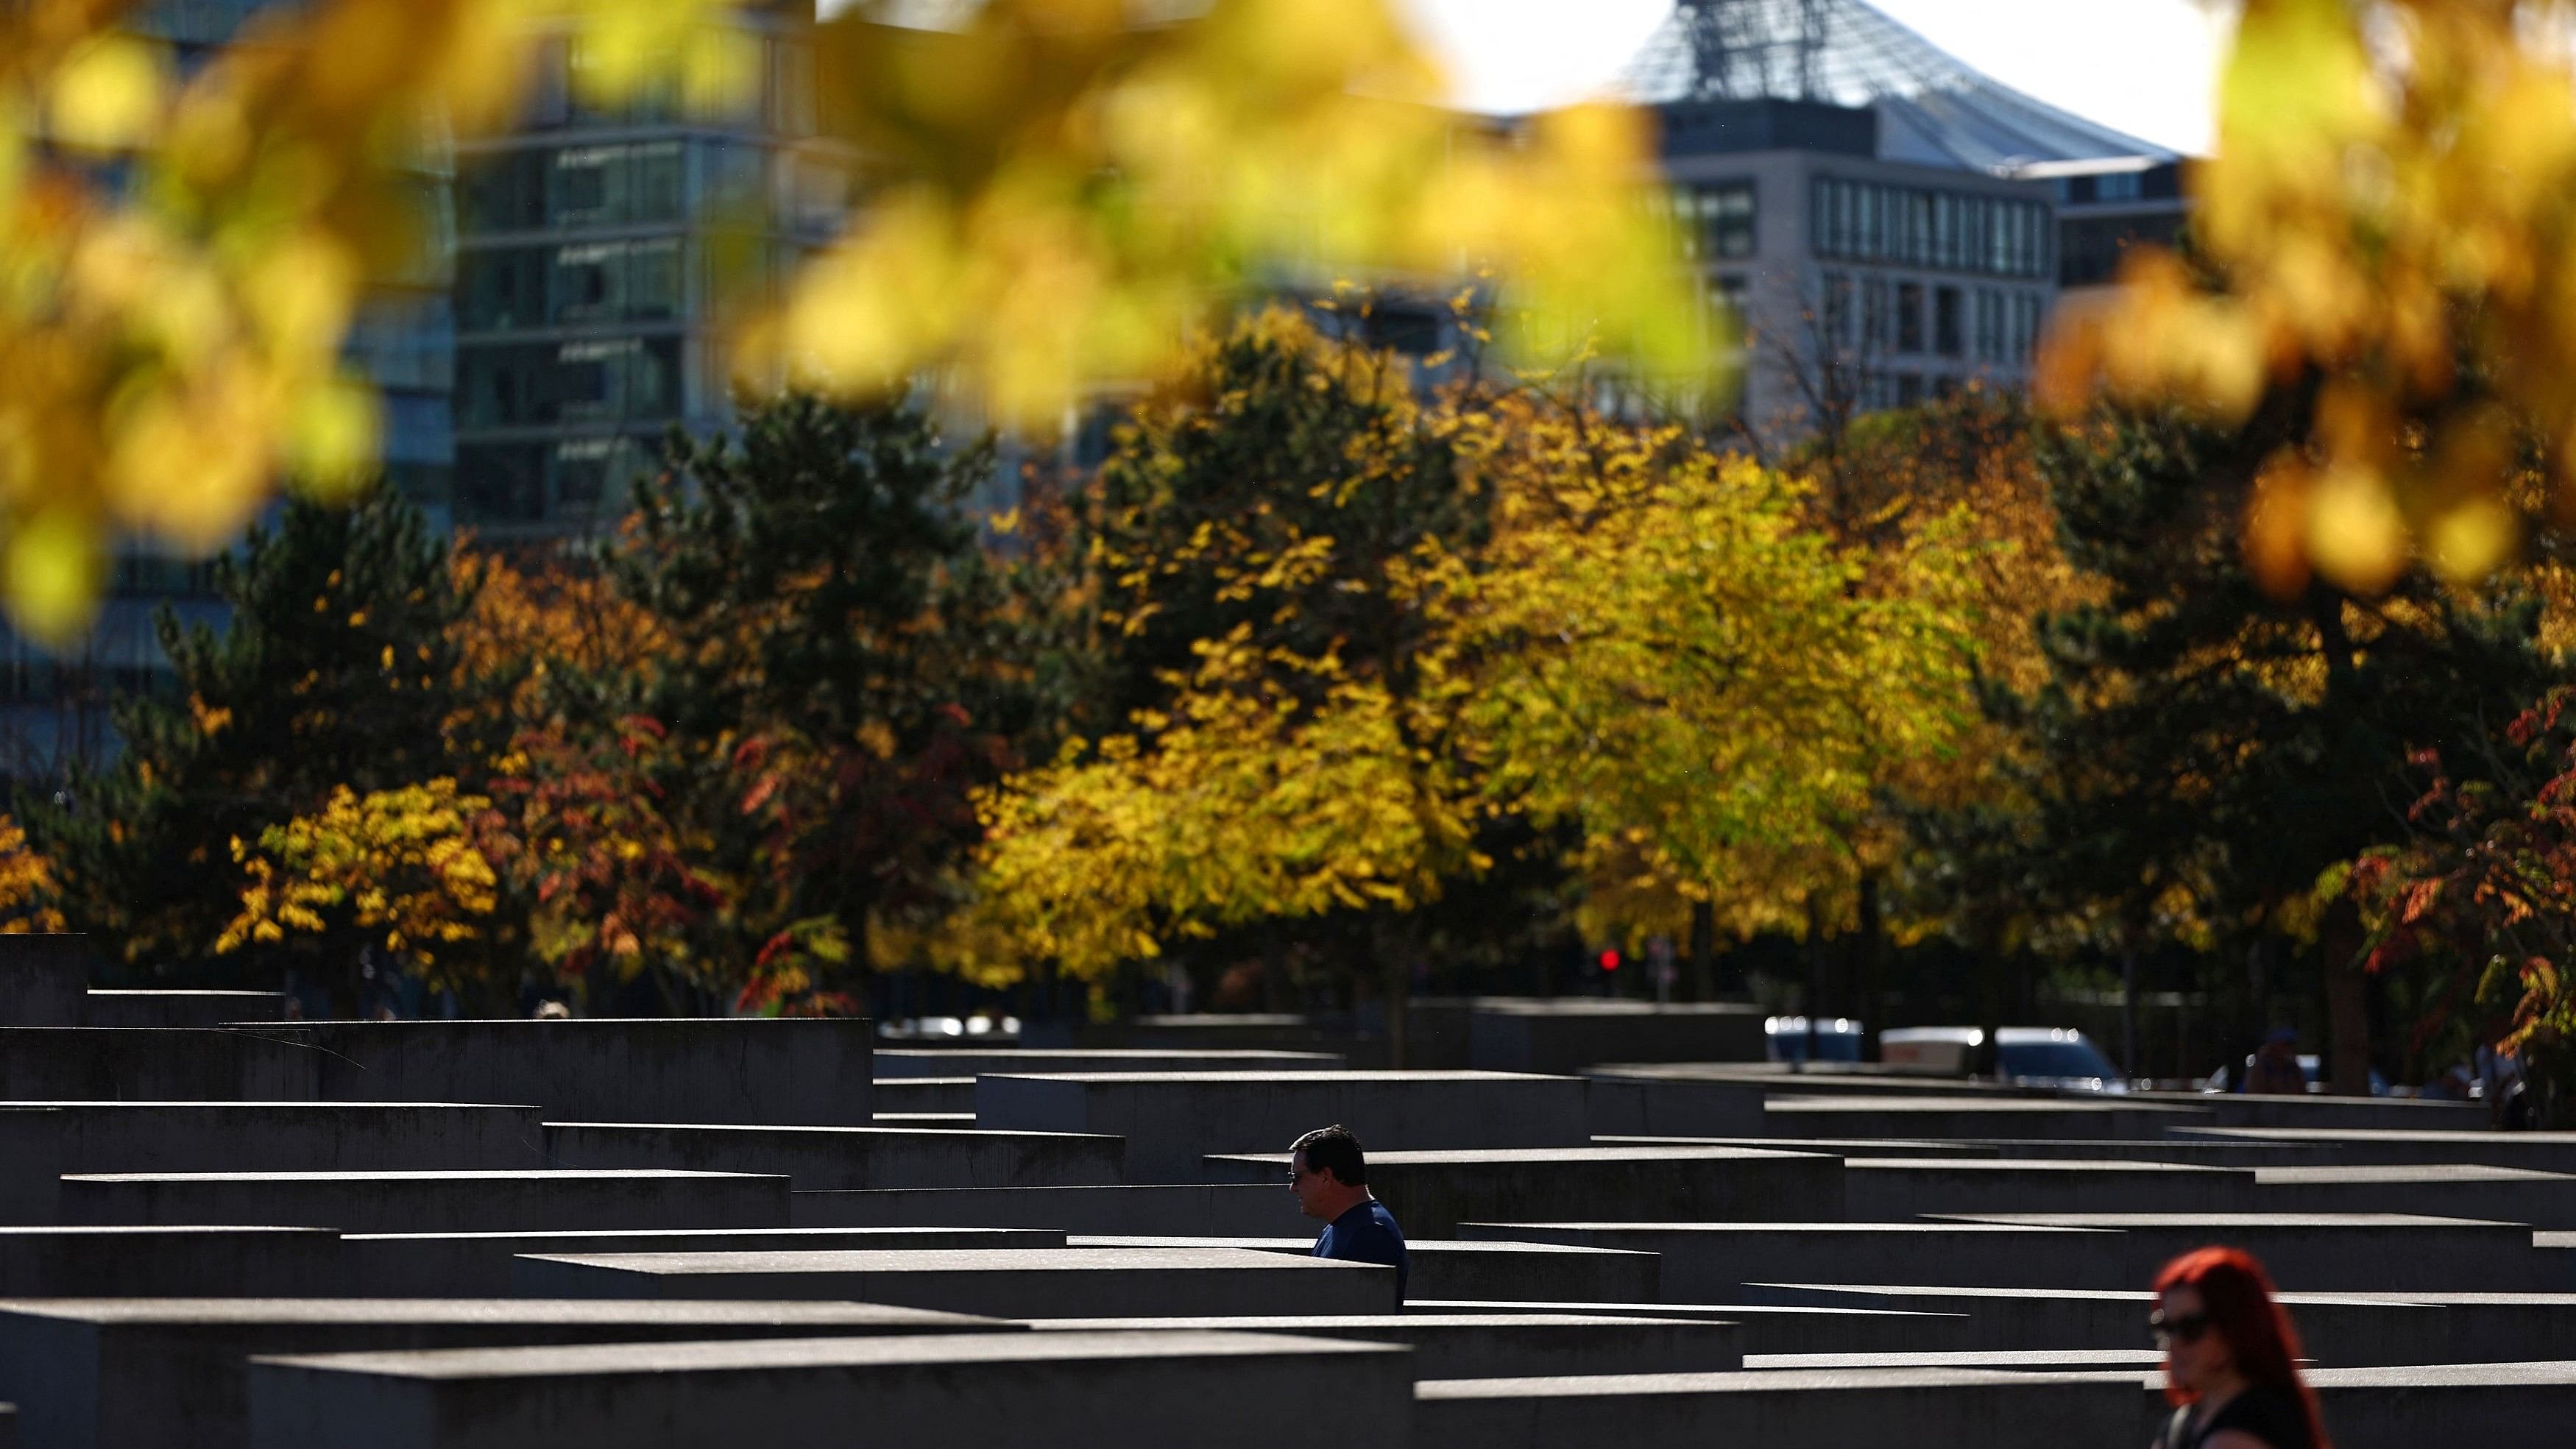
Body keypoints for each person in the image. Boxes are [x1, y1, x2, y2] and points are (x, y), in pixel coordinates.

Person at [2148, 1247, 2331, 1449]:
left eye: (2190, 1328)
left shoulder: (2236, 1438)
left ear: (2234, 1330)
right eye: (2166, 1329)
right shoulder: (2186, 1423)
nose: (2175, 1343)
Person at [1289, 1124, 1408, 1302]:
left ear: (1325, 1177)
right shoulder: (1341, 1226)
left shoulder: (1371, 1235)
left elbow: (1365, 1319)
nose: (1293, 1188)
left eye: (1296, 1177)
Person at [2238, 1028, 2307, 1096]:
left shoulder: (2292, 1067)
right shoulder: (2262, 1065)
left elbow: (2300, 1091)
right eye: (2286, 1044)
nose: (2289, 1049)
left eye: (2292, 1045)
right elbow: (2255, 1091)